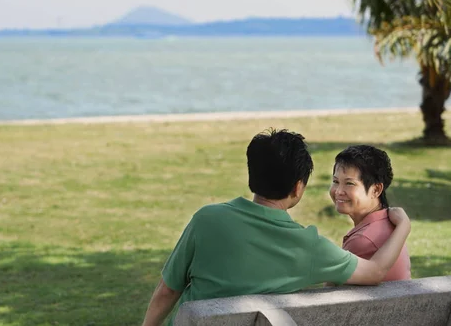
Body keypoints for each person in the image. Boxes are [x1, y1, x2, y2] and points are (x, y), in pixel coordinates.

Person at [141, 129, 411, 326]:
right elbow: (375, 271)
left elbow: (168, 290)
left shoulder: (206, 220)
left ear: (252, 177)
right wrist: (403, 226)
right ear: (298, 187)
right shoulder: (310, 248)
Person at [330, 145, 411, 281]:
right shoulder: (389, 223)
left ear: (376, 190)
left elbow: (331, 293)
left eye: (349, 183)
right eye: (335, 181)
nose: (338, 191)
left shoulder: (363, 240)